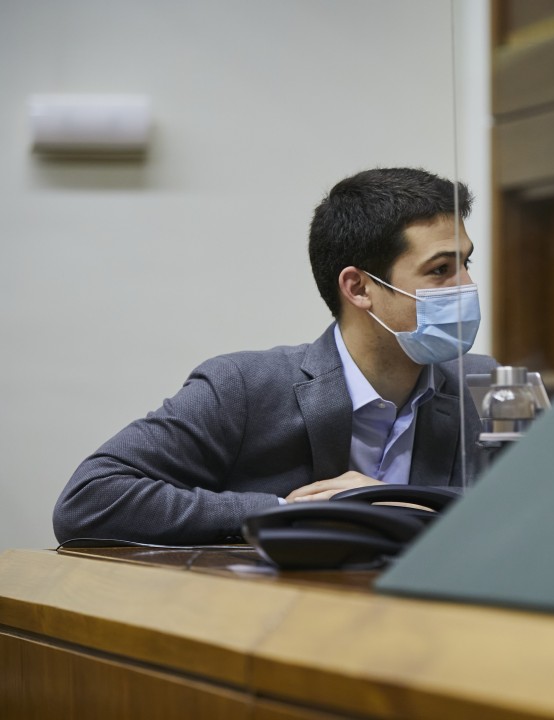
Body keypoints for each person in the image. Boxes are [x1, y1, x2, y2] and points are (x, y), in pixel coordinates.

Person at [53, 167, 497, 545]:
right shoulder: (243, 387)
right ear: (359, 288)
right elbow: (89, 499)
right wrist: (292, 512)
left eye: (466, 263)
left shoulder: (485, 386)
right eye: (441, 269)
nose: (468, 286)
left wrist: (409, 508)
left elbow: (534, 514)